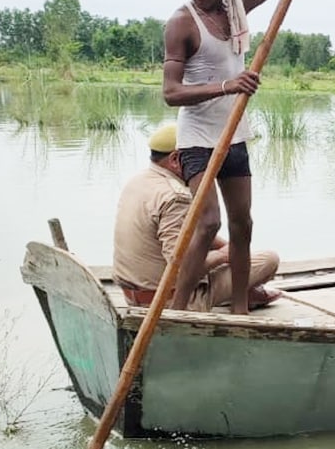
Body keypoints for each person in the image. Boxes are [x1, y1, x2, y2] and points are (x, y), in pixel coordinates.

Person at [162, 0, 335, 314]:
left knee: (243, 224)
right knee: (208, 222)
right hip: (198, 139)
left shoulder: (234, 9)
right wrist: (228, 85)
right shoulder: (182, 22)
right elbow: (171, 93)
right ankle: (177, 310)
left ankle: (240, 310)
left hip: (234, 136)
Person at [113, 125, 282, 312]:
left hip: (133, 294)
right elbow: (180, 267)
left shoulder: (137, 182)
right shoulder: (176, 197)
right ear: (176, 159)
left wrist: (229, 248)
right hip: (167, 300)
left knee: (233, 257)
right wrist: (222, 256)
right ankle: (240, 296)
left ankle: (243, 291)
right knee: (269, 260)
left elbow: (188, 233)